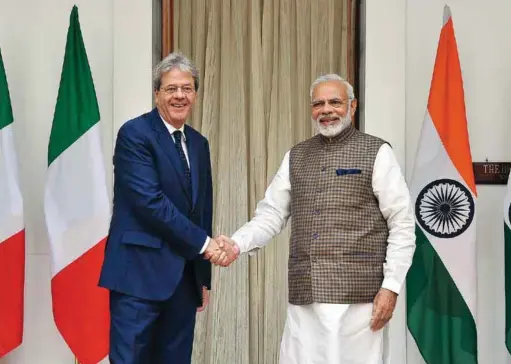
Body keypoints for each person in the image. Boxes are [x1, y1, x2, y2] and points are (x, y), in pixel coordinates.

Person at [218, 74, 416, 363]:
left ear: (352, 106)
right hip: (305, 298)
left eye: (335, 102)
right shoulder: (296, 155)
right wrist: (237, 244)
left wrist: (391, 286)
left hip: (358, 303)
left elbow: (402, 223)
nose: (326, 110)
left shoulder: (377, 152)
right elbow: (271, 213)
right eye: (318, 103)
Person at [99, 51, 234, 364]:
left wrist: (201, 276)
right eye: (172, 88)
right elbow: (150, 202)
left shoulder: (198, 143)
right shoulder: (135, 134)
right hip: (137, 277)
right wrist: (206, 246)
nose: (180, 95)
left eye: (187, 88)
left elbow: (202, 210)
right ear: (157, 93)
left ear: (195, 95)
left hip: (183, 282)